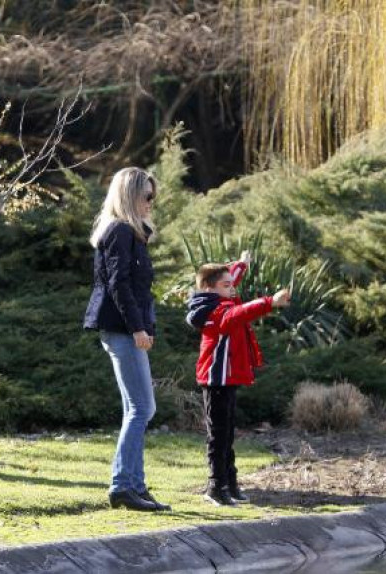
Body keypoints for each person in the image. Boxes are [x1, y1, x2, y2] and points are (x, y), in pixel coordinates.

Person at [83, 167, 170, 512]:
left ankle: (135, 485)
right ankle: (123, 485)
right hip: (122, 329)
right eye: (146, 196)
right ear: (129, 196)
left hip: (126, 328)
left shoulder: (130, 232)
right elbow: (119, 285)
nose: (151, 202)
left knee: (136, 409)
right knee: (142, 409)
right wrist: (137, 328)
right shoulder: (119, 230)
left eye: (153, 196)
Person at [186, 252, 291, 505]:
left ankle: (229, 484)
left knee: (228, 434)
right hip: (216, 380)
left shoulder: (219, 296)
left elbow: (229, 277)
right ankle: (215, 486)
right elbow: (239, 314)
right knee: (218, 435)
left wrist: (242, 263)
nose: (232, 289)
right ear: (209, 288)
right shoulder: (214, 310)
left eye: (231, 284)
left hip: (228, 379)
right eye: (226, 286)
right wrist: (270, 302)